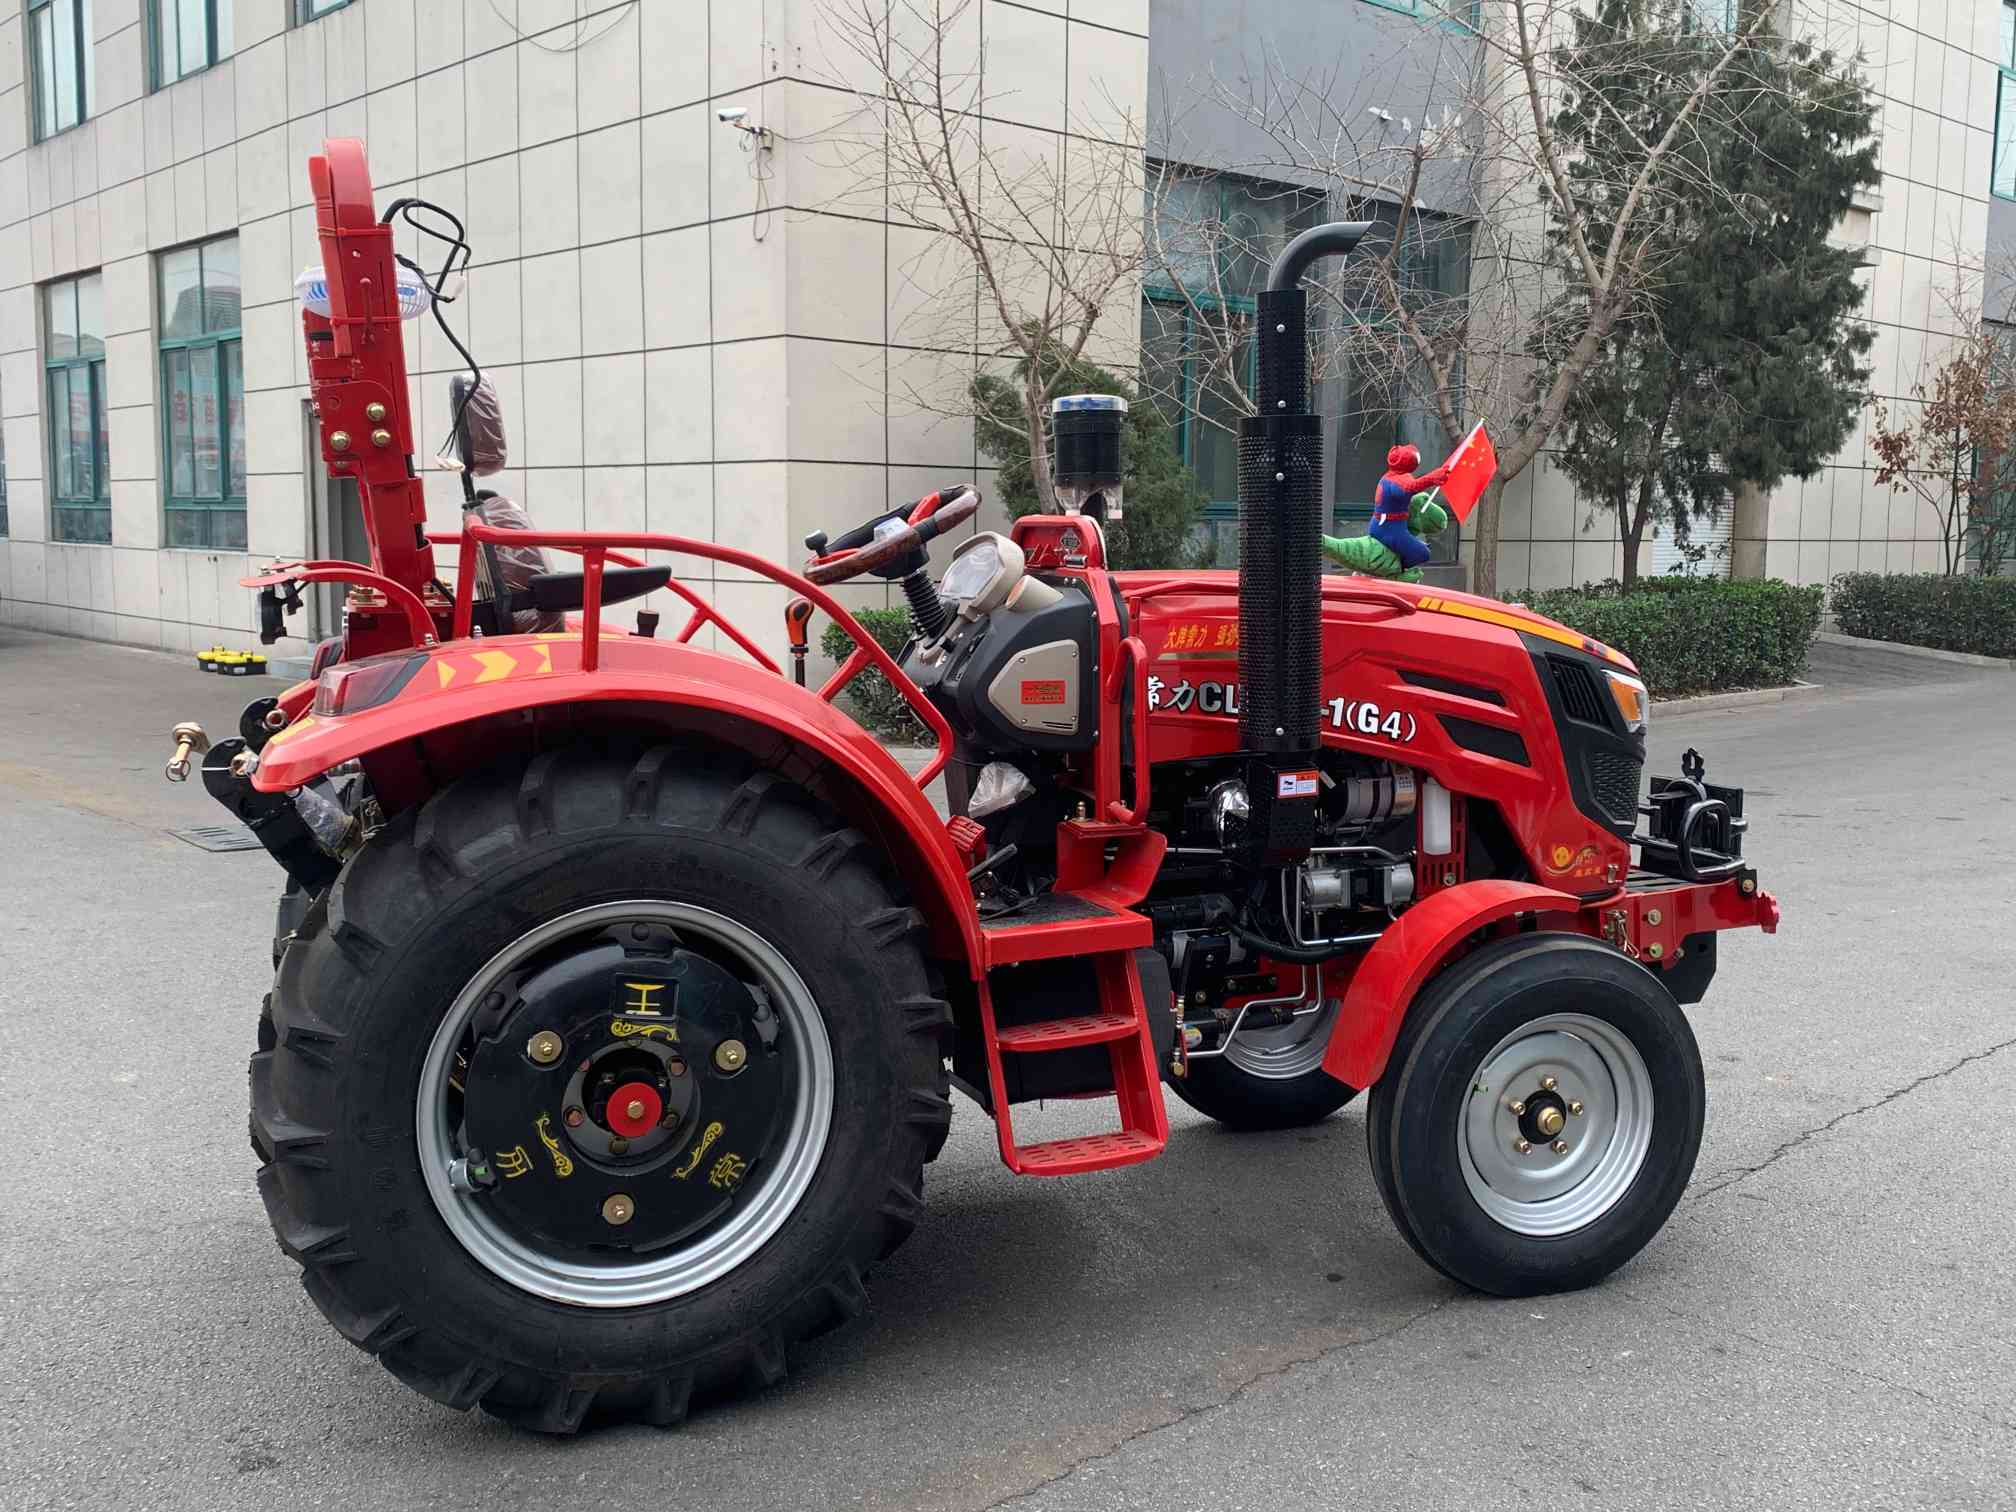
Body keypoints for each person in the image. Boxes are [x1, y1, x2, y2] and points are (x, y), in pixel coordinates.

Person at [1367, 443, 1451, 573]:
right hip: (1388, 529)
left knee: (1415, 546)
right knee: (1423, 553)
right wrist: (1432, 477)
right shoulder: (1397, 481)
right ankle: (1392, 571)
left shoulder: (1392, 476)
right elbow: (1410, 488)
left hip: (1388, 526)